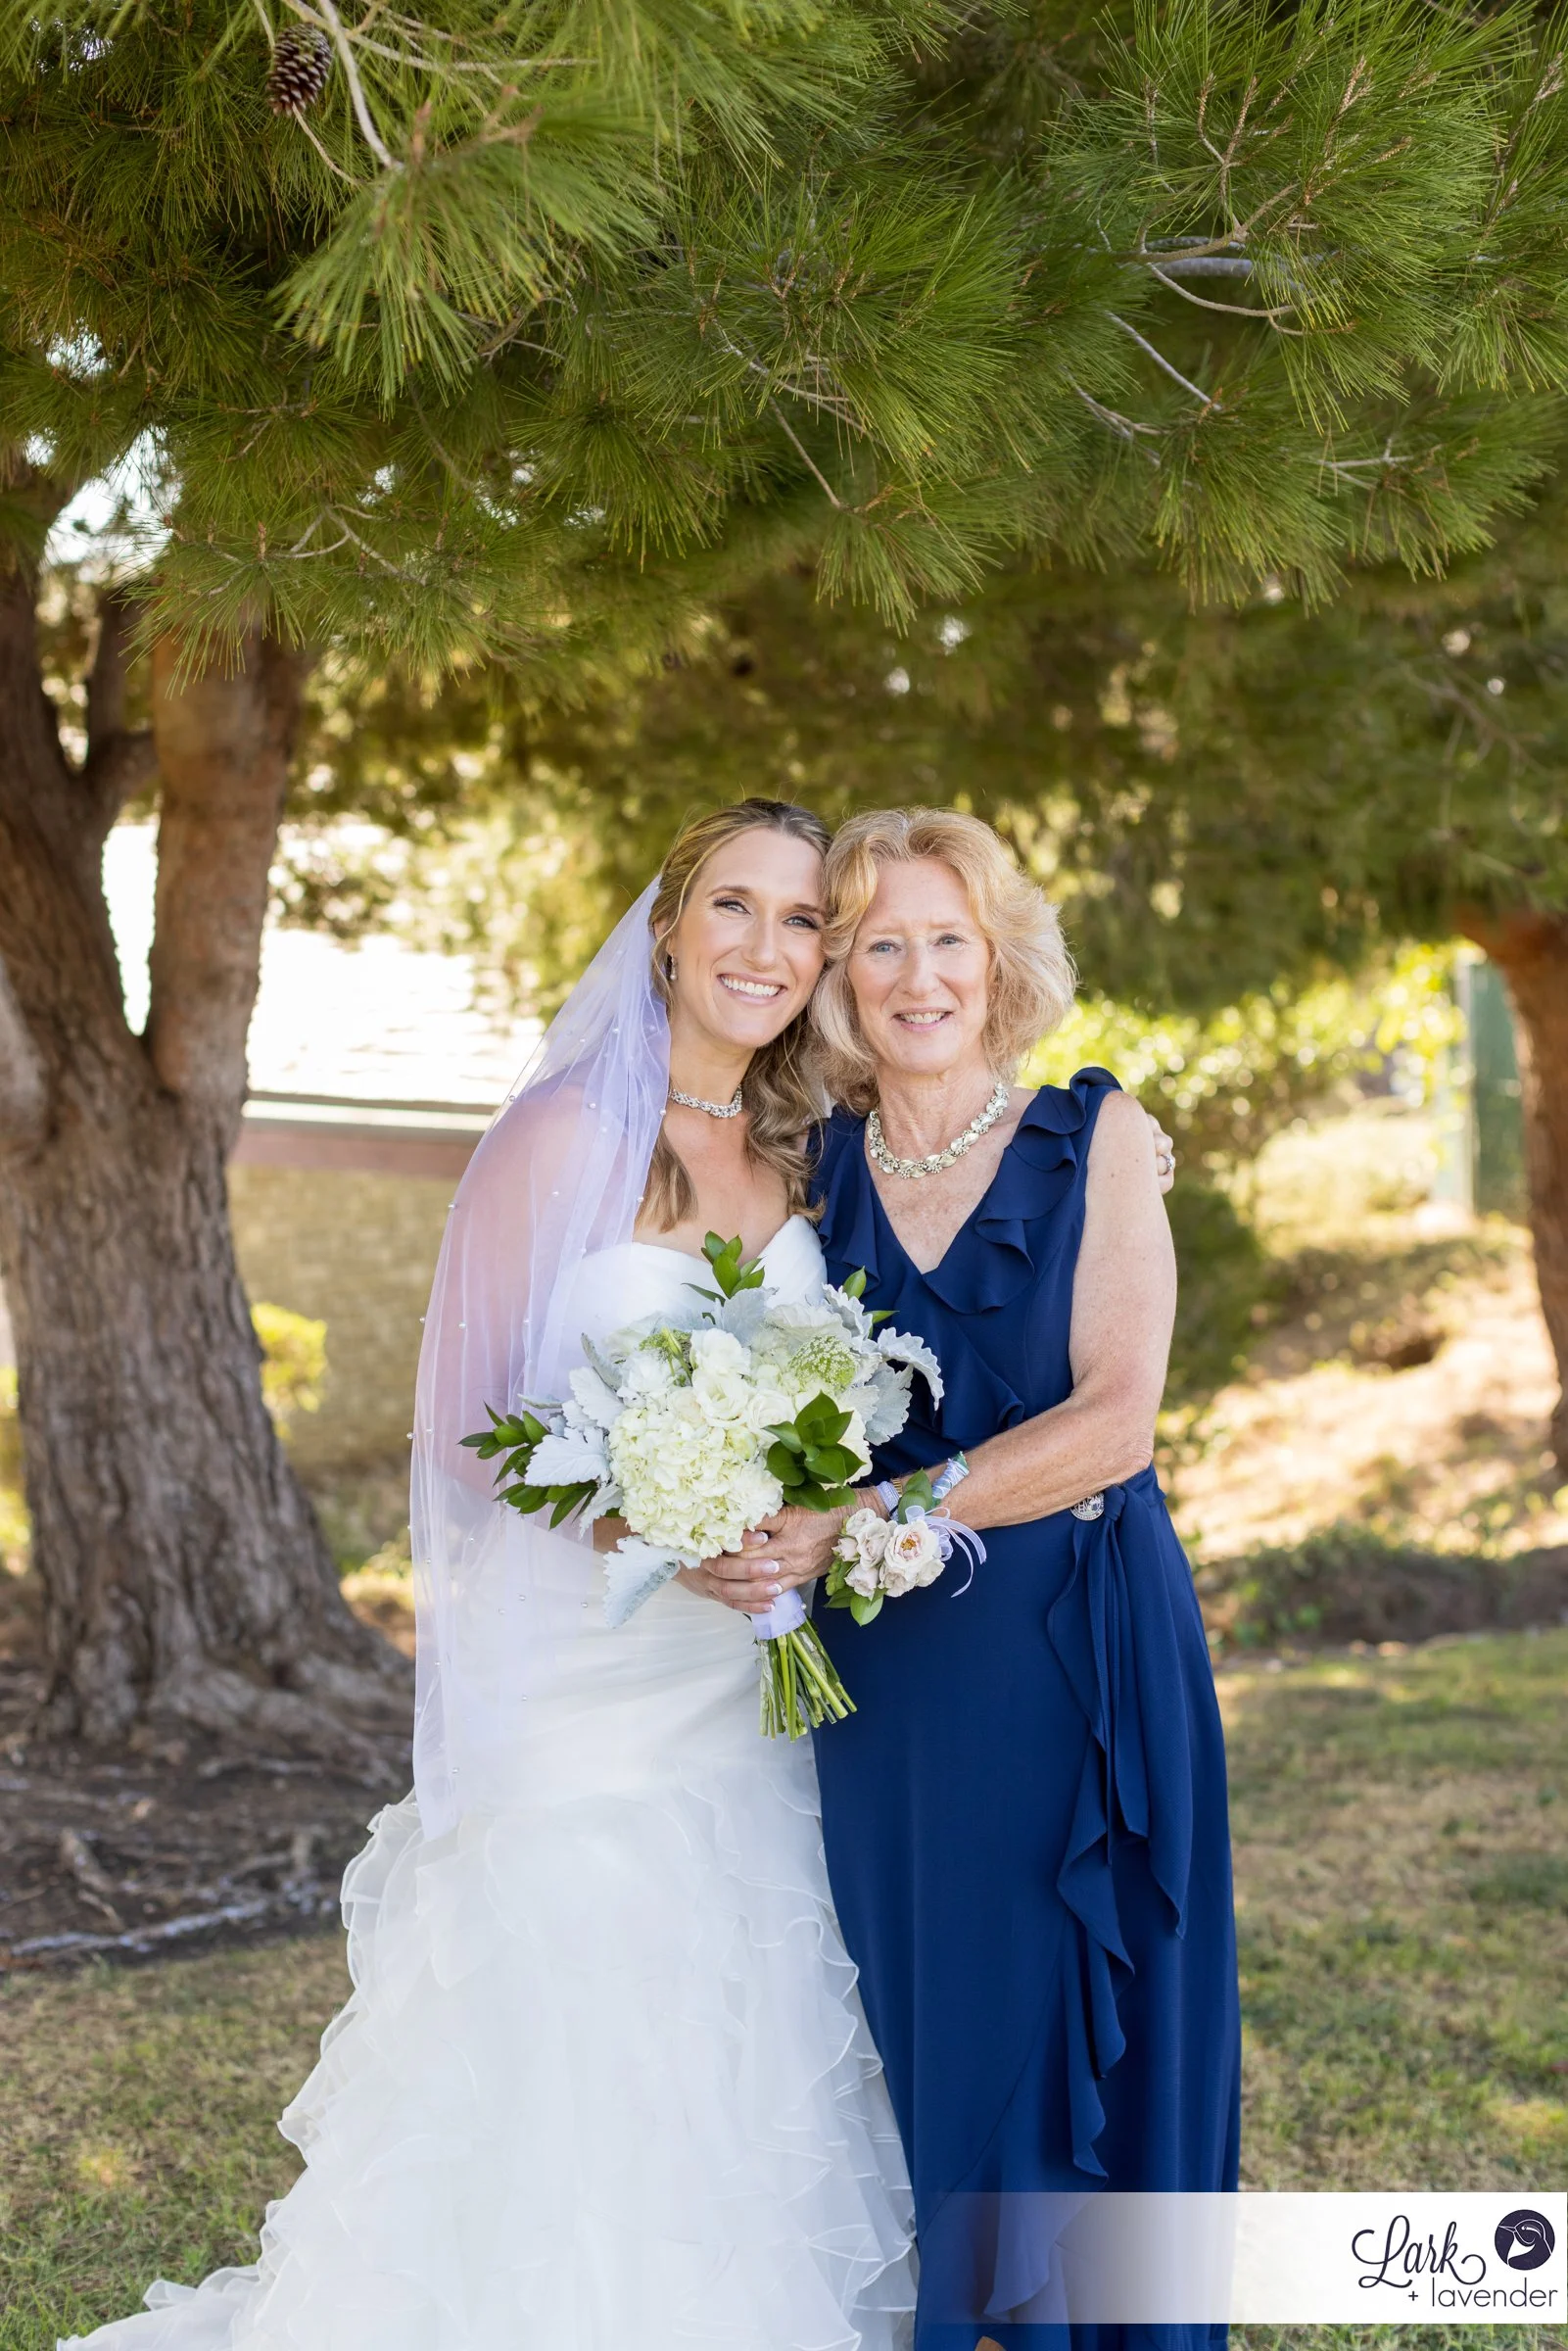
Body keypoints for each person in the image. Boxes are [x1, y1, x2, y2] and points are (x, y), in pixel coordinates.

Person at [63, 800, 915, 2351]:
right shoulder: (568, 1135)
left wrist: (803, 1507)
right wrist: (658, 1521)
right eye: (736, 907)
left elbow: (825, 1395)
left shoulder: (794, 1157)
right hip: (591, 1680)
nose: (767, 949)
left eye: (803, 923)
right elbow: (470, 1427)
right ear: (668, 928)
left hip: (741, 1678)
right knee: (588, 2011)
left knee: (746, 2002)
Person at [731, 808, 1240, 2351]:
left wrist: (887, 1500)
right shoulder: (808, 1170)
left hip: (1084, 1656)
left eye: (946, 938)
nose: (916, 974)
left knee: (1102, 2016)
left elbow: (1114, 1420)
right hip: (896, 1686)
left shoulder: (1097, 1139)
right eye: (879, 943)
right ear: (840, 982)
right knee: (936, 2026)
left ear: (1001, 959)